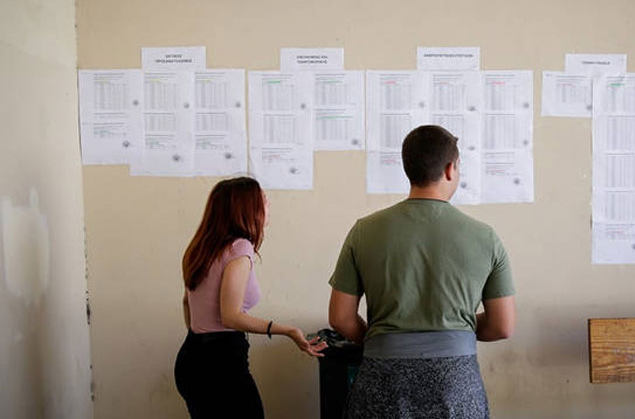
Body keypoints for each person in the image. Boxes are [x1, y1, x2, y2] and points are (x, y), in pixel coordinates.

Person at [328, 125, 516, 419]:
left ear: (408, 168)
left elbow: (340, 318)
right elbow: (502, 325)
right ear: (450, 169)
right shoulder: (485, 237)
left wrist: (380, 338)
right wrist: (457, 327)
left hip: (383, 379)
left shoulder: (364, 231)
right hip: (455, 383)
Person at [174, 176, 326, 418]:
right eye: (263, 199)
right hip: (221, 364)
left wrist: (201, 340)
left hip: (191, 357)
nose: (268, 204)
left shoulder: (201, 248)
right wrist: (288, 331)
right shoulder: (240, 248)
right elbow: (231, 317)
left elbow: (187, 303)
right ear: (246, 208)